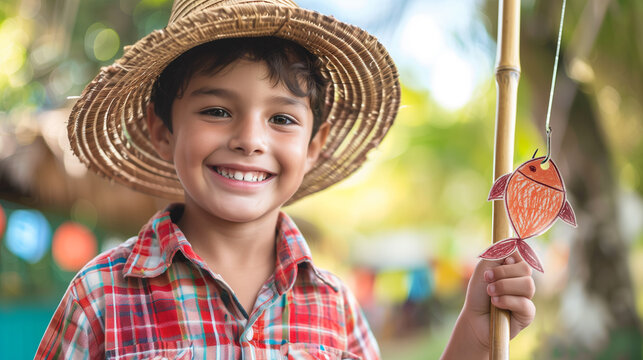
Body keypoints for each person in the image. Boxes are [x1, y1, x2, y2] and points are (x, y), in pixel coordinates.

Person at [36, 0, 535, 358]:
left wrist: (474, 332)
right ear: (163, 131)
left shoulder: (335, 309)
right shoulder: (100, 296)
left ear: (314, 146)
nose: (250, 139)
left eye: (282, 119)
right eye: (216, 109)